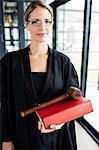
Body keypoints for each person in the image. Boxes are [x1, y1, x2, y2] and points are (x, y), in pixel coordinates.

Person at [1, 0, 80, 149]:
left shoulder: (64, 63)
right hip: (20, 137)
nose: (42, 27)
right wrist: (6, 139)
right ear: (26, 24)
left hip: (55, 138)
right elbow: (5, 105)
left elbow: (74, 103)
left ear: (52, 24)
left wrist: (59, 123)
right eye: (35, 21)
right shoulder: (10, 62)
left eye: (47, 21)